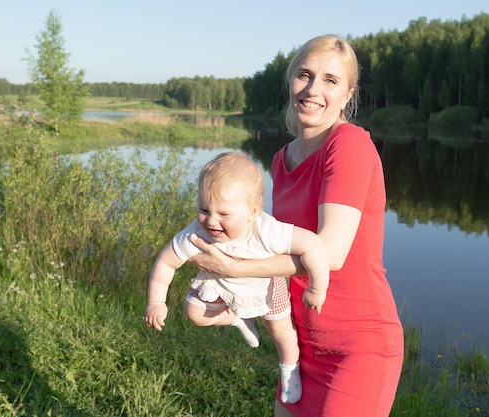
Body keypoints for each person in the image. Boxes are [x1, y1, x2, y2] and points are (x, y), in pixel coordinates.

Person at [189, 34, 404, 417]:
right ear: (291, 80)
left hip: (358, 347)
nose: (313, 89)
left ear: (347, 93)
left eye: (330, 80)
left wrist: (236, 268)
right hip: (303, 345)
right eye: (305, 75)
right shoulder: (280, 159)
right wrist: (231, 277)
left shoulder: (349, 145)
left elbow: (330, 252)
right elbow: (275, 243)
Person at [145, 151, 329, 404]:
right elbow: (166, 263)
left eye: (224, 214)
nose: (211, 221)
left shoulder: (266, 230)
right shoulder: (197, 234)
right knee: (194, 314)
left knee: (281, 330)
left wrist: (317, 288)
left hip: (264, 285)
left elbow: (313, 244)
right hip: (218, 282)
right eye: (204, 209)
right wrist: (157, 301)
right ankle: (237, 319)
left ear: (252, 212)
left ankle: (289, 368)